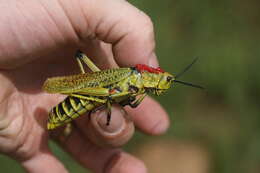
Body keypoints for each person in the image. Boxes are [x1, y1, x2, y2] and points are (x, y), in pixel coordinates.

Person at [0, 0, 169, 172]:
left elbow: (130, 102)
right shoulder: (133, 75)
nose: (163, 85)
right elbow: (117, 97)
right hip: (94, 91)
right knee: (108, 94)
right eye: (164, 80)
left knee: (112, 100)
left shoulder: (139, 85)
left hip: (101, 92)